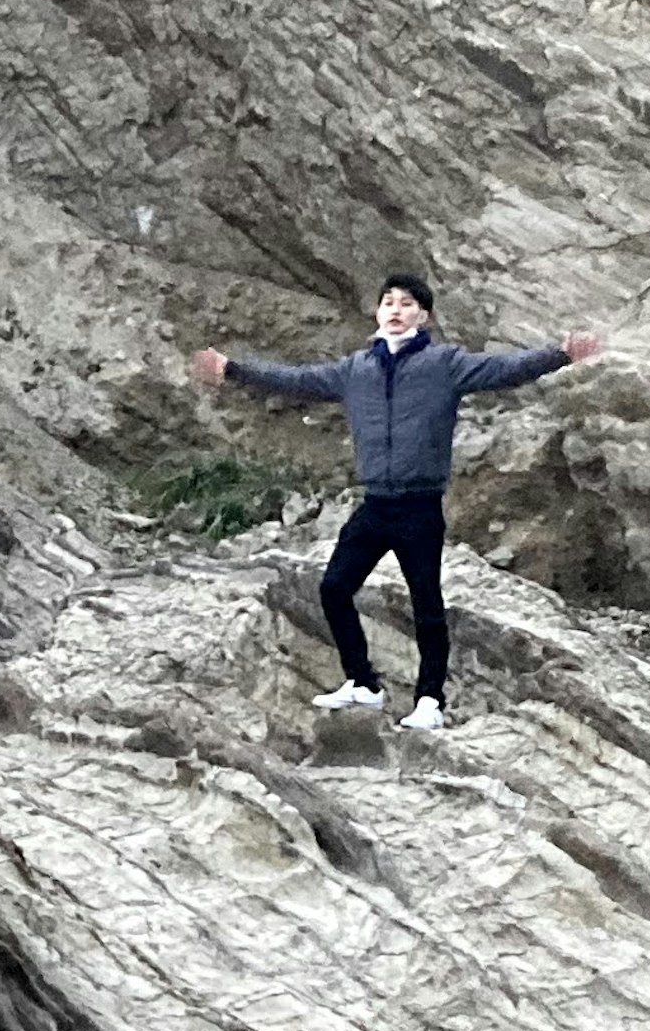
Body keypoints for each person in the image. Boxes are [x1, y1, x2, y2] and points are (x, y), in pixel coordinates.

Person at [188, 274, 603, 724]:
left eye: (406, 304)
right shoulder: (354, 370)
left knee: (426, 602)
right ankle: (363, 684)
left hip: (420, 505)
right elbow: (295, 380)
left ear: (422, 315)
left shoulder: (445, 364)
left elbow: (505, 369)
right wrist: (232, 369)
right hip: (376, 504)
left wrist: (560, 354)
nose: (395, 309)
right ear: (378, 312)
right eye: (388, 302)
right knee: (334, 588)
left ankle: (430, 702)